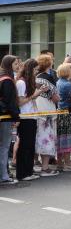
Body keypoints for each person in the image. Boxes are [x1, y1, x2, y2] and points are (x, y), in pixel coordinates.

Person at [14, 59, 41, 181]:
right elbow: (19, 102)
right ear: (30, 69)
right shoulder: (21, 83)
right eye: (35, 70)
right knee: (25, 145)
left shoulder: (27, 82)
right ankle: (22, 173)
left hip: (31, 116)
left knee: (30, 145)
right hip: (25, 117)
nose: (36, 72)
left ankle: (28, 171)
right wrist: (33, 96)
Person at [34, 54, 60, 177]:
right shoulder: (48, 77)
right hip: (47, 111)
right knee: (47, 139)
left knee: (36, 138)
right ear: (48, 64)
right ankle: (45, 168)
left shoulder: (35, 77)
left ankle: (35, 164)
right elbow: (55, 97)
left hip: (36, 110)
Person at [55, 63, 71, 172]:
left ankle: (60, 162)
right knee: (68, 138)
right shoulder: (68, 84)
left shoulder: (58, 82)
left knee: (61, 138)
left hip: (60, 112)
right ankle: (68, 162)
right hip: (67, 113)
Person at [0, 55, 20, 185]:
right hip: (5, 118)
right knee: (4, 147)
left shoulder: (2, 78)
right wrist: (16, 116)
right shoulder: (7, 80)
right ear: (9, 65)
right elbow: (9, 101)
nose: (17, 66)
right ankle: (4, 176)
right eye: (15, 64)